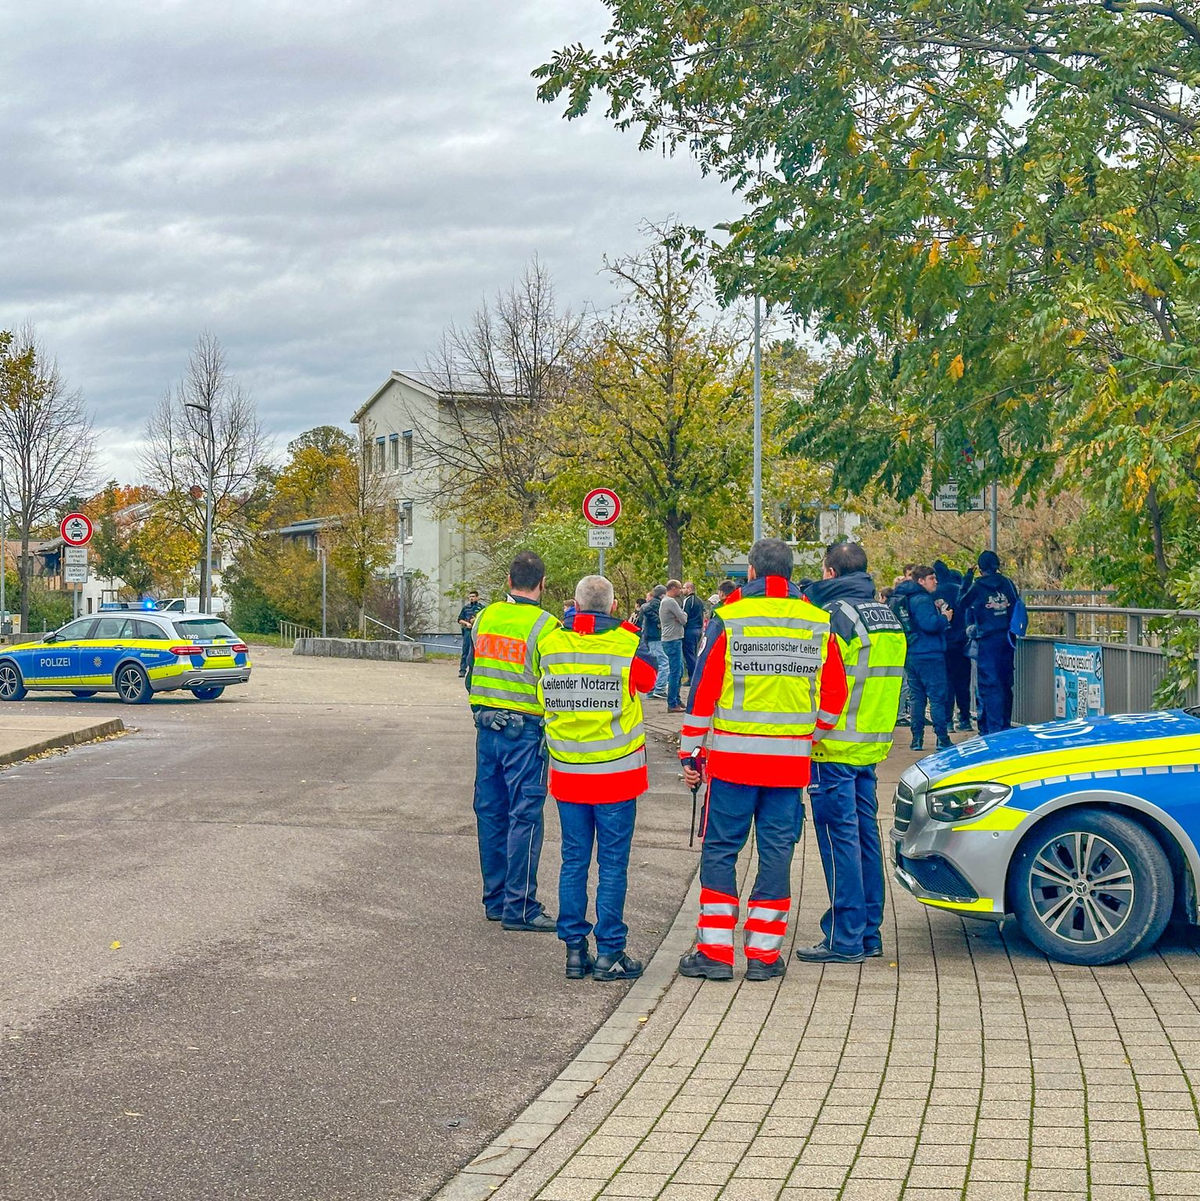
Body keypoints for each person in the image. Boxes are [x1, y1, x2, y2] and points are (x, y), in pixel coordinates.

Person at [678, 538, 848, 982]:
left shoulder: (729, 619)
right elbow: (835, 698)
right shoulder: (818, 622)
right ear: (790, 574)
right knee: (776, 853)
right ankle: (764, 956)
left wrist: (691, 750)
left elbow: (703, 690)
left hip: (734, 762)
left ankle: (715, 952)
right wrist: (810, 733)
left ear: (751, 572)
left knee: (721, 850)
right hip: (789, 764)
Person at [538, 575, 659, 981]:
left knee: (573, 860)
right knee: (612, 865)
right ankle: (610, 953)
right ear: (610, 607)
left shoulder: (552, 643)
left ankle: (575, 951)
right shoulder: (626, 644)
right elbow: (649, 681)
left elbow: (541, 694)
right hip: (616, 775)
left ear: (574, 603)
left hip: (568, 773)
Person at [799, 542, 906, 963]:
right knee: (865, 837)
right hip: (871, 743)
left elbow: (822, 680)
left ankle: (844, 937)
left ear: (828, 572)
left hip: (833, 744)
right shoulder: (887, 615)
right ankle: (868, 933)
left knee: (837, 839)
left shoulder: (835, 617)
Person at [467, 551, 560, 931]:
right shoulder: (547, 626)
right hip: (525, 735)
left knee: (490, 813)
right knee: (525, 816)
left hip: (486, 729)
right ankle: (520, 906)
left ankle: (495, 899)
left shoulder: (485, 617)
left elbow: (474, 669)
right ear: (542, 583)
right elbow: (553, 683)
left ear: (508, 580)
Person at [890, 566, 953, 751]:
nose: (936, 581)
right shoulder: (923, 600)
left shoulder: (905, 598)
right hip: (930, 653)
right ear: (921, 581)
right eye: (932, 578)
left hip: (912, 653)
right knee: (937, 697)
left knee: (917, 697)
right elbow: (930, 624)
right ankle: (942, 737)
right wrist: (944, 617)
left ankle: (916, 738)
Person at [959, 550, 1020, 734]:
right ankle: (1005, 724)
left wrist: (967, 577)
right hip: (1008, 639)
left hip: (987, 639)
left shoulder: (978, 587)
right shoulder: (1007, 583)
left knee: (989, 684)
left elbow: (961, 603)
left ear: (980, 568)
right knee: (1005, 682)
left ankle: (992, 729)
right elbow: (1016, 605)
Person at [935, 560, 973, 731]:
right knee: (963, 683)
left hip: (942, 644)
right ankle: (965, 719)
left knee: (946, 684)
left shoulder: (933, 593)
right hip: (961, 642)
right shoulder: (959, 590)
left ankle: (947, 720)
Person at [659, 579, 688, 713]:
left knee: (679, 670)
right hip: (673, 639)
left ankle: (676, 699)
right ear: (674, 589)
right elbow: (683, 619)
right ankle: (672, 702)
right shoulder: (670, 602)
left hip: (670, 639)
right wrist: (681, 616)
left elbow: (682, 617)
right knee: (675, 672)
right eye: (679, 588)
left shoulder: (665, 601)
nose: (681, 591)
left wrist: (681, 616)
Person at [637, 585, 669, 699]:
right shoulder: (656, 603)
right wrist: (659, 620)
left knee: (657, 662)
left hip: (651, 636)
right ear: (662, 595)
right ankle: (659, 688)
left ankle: (653, 688)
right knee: (663, 662)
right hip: (655, 636)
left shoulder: (653, 603)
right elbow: (647, 610)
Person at [681, 581, 705, 683]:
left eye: (684, 588)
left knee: (689, 655)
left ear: (689, 589)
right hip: (698, 629)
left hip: (690, 629)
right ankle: (696, 676)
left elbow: (684, 616)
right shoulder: (700, 601)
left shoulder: (688, 601)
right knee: (694, 653)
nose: (682, 590)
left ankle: (693, 678)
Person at [456, 590, 484, 677]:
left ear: (477, 597)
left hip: (477, 632)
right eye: (470, 596)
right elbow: (459, 619)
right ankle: (462, 670)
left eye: (473, 596)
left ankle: (475, 670)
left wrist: (476, 621)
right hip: (468, 631)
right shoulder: (466, 608)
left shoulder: (482, 608)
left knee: (477, 651)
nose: (471, 598)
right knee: (466, 651)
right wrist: (466, 623)